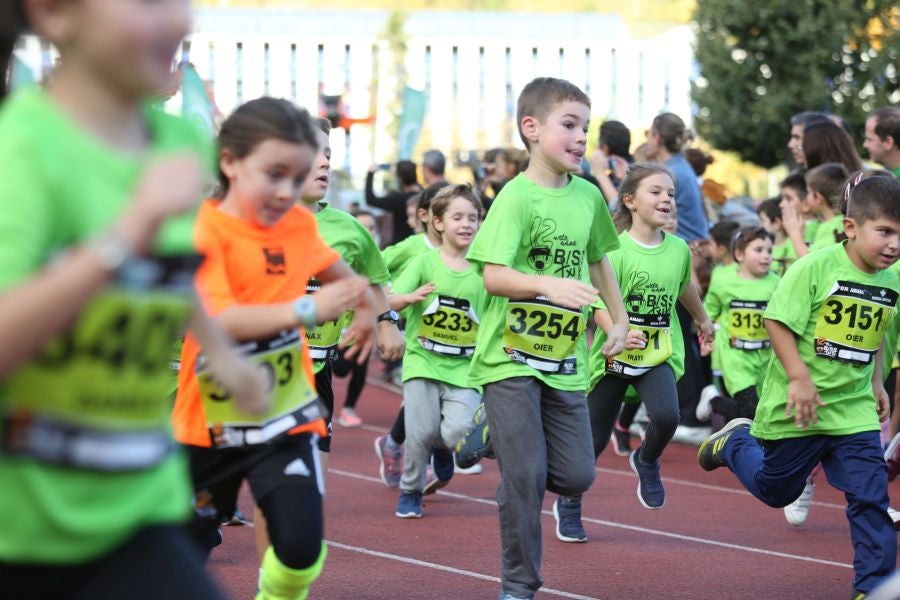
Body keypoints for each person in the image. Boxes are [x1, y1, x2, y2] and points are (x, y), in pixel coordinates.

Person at [0, 1, 272, 598]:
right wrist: (128, 231)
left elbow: (168, 269)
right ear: (54, 14)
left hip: (137, 507)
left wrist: (223, 355)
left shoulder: (177, 141)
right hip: (20, 528)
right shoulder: (19, 147)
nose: (178, 20)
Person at [172, 98, 377, 600]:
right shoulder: (205, 229)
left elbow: (347, 279)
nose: (287, 191)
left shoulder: (297, 224)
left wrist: (367, 310)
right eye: (275, 174)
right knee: (180, 553)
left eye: (298, 176)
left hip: (284, 414)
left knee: (300, 548)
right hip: (209, 423)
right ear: (230, 163)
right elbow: (221, 319)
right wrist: (308, 310)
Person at [698, 175, 900, 598]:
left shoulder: (892, 279)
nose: (894, 245)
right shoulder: (815, 267)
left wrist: (877, 382)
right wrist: (800, 378)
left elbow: (879, 330)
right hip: (799, 405)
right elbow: (776, 321)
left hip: (853, 408)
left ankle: (873, 587)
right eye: (885, 231)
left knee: (870, 495)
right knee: (777, 490)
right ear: (851, 227)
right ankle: (735, 442)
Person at [465, 77, 628, 600]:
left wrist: (617, 321)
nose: (582, 138)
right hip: (508, 357)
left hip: (564, 359)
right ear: (531, 128)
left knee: (577, 475)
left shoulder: (588, 197)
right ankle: (519, 584)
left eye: (586, 127)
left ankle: (491, 435)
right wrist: (547, 285)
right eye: (570, 125)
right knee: (527, 477)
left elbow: (599, 262)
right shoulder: (515, 197)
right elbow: (494, 276)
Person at [554, 163, 714, 540]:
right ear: (630, 201)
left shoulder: (678, 249)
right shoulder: (615, 250)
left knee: (667, 416)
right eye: (655, 192)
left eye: (671, 193)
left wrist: (703, 320)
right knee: (593, 442)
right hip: (613, 357)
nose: (666, 199)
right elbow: (597, 302)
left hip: (656, 354)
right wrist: (617, 332)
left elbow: (683, 287)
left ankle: (647, 458)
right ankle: (570, 503)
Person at [299, 119, 404, 450]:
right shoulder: (253, 223)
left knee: (312, 475)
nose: (324, 163)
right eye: (313, 153)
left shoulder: (349, 229)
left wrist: (386, 324)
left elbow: (371, 281)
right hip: (261, 372)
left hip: (317, 371)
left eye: (328, 155)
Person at [388, 185, 486, 517]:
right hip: (423, 360)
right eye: (457, 217)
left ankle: (441, 448)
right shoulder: (424, 263)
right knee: (419, 432)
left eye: (473, 218)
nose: (466, 224)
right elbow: (389, 299)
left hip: (465, 367)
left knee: (458, 430)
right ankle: (411, 490)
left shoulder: (485, 269)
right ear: (438, 222)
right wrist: (407, 298)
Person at [374, 182, 451, 487]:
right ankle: (424, 459)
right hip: (416, 329)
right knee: (425, 397)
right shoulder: (413, 247)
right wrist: (390, 301)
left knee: (439, 397)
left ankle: (394, 442)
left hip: (456, 336)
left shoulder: (467, 249)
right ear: (428, 215)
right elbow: (374, 266)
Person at [695, 226, 779, 423]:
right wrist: (705, 339)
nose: (766, 256)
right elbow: (707, 315)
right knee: (751, 410)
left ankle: (713, 401)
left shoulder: (778, 282)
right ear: (739, 254)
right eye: (758, 250)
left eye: (769, 251)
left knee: (759, 414)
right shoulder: (723, 281)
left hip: (765, 358)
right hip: (735, 358)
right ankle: (714, 403)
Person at [644, 113, 707, 243]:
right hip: (693, 244)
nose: (646, 141)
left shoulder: (669, 174)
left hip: (685, 246)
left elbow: (635, 211)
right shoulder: (680, 166)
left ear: (657, 138)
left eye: (648, 135)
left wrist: (602, 175)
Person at [365, 160, 421, 245]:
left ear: (399, 178)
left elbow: (371, 200)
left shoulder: (398, 199)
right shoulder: (424, 194)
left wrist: (370, 174)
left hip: (401, 244)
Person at [803, 162, 850, 254]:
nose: (806, 197)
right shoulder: (843, 219)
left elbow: (812, 259)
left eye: (808, 192)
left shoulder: (830, 227)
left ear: (817, 197)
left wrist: (794, 234)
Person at [757, 197, 797, 276]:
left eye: (762, 220)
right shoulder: (759, 246)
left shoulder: (794, 247)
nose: (760, 225)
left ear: (777, 223)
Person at [863, 107, 900, 177]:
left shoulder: (894, 180)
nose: (865, 145)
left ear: (888, 142)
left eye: (869, 139)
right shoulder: (891, 175)